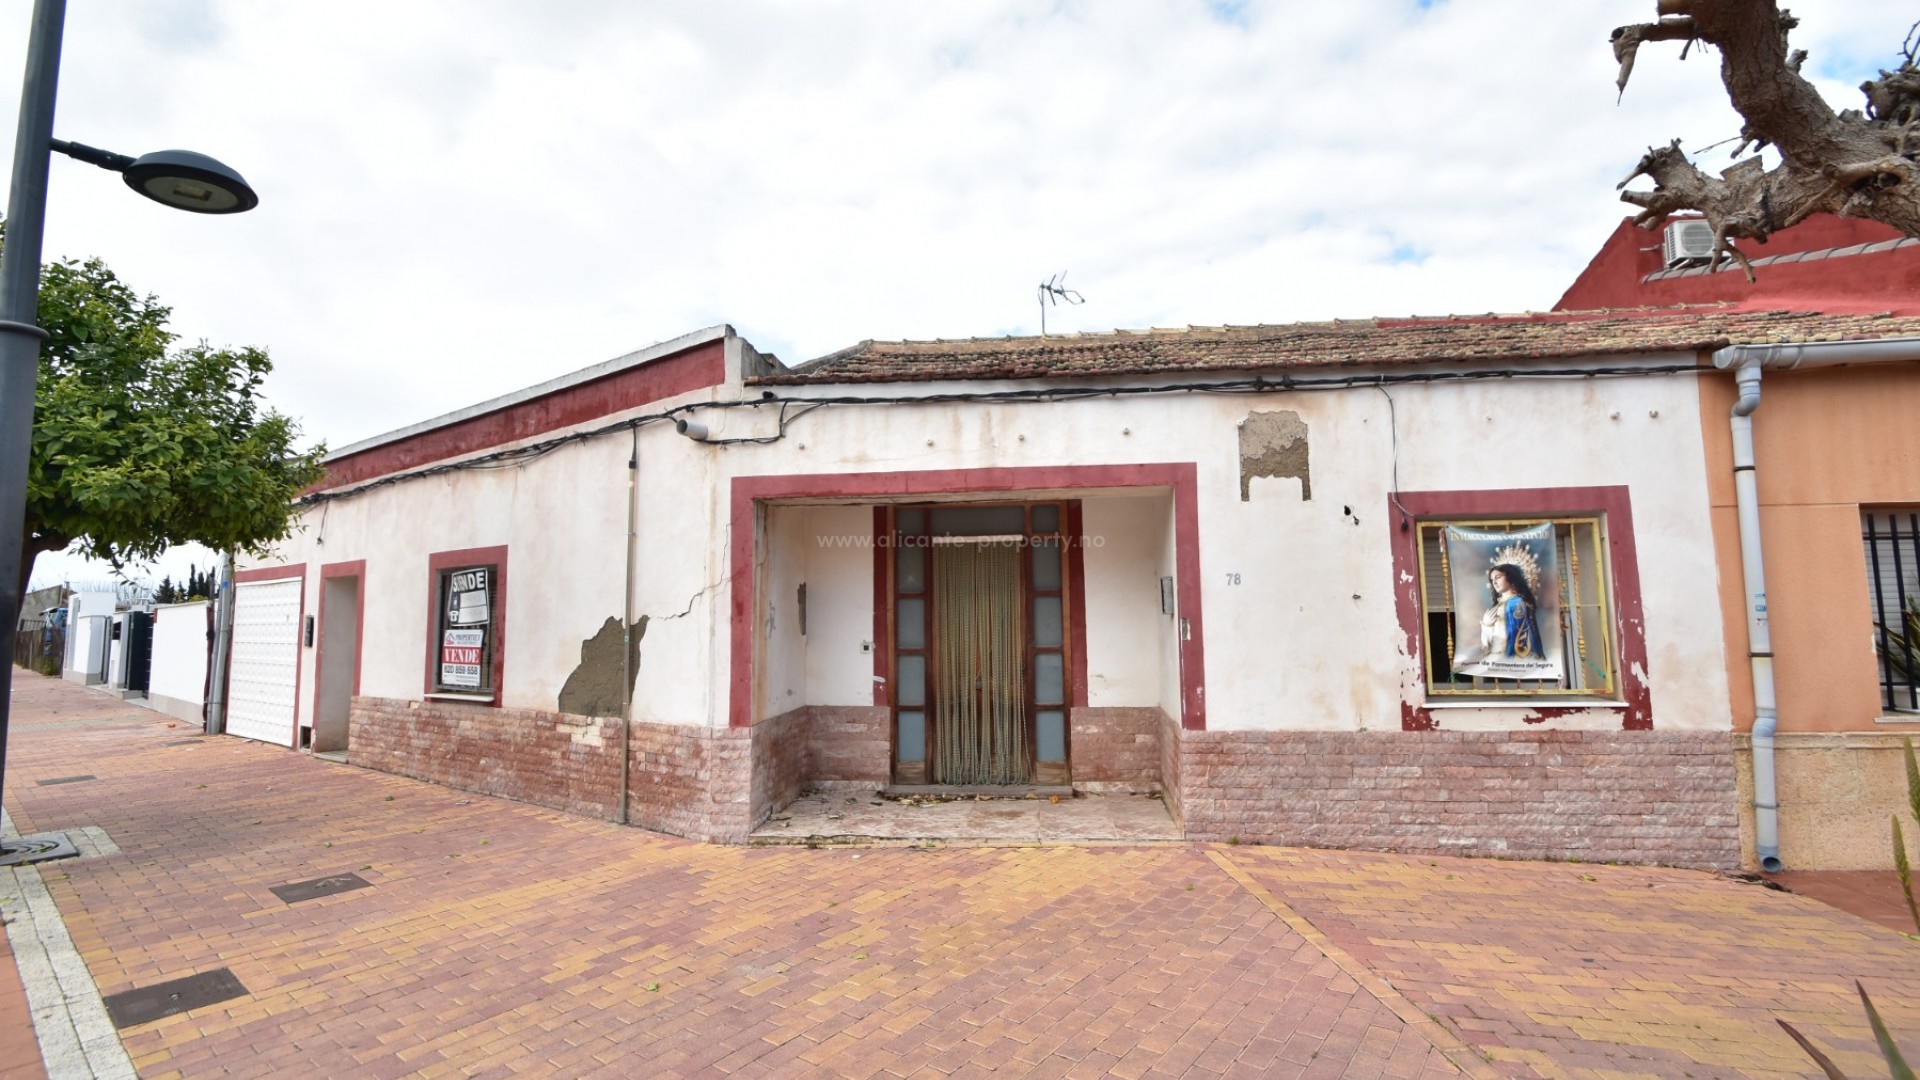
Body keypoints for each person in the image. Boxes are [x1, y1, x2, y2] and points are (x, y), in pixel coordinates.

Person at [1479, 564, 1543, 660]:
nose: (1494, 582)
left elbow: (1512, 637)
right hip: (1497, 657)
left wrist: (1487, 626)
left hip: (1511, 658)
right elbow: (1489, 644)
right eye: (1492, 580)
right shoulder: (1499, 605)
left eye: (1498, 577)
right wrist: (1487, 625)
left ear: (1510, 577)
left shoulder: (1517, 603)